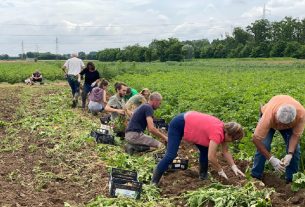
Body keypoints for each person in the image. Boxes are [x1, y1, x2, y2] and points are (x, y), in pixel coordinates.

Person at [151, 111, 245, 185]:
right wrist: (220, 171)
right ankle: (154, 181)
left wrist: (234, 166)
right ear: (229, 134)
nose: (232, 141)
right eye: (233, 139)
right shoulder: (217, 133)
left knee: (204, 151)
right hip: (179, 124)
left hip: (192, 124)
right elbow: (211, 157)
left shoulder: (224, 130)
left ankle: (203, 177)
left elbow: (225, 151)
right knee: (171, 155)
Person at [251, 95, 305, 183]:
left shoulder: (301, 115)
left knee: (296, 150)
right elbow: (255, 139)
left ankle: (291, 180)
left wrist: (290, 154)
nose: (280, 127)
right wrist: (271, 159)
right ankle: (256, 176)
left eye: (285, 125)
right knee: (264, 145)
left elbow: (295, 135)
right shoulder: (268, 117)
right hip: (270, 117)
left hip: (285, 119)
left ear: (292, 121)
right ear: (276, 115)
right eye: (279, 123)